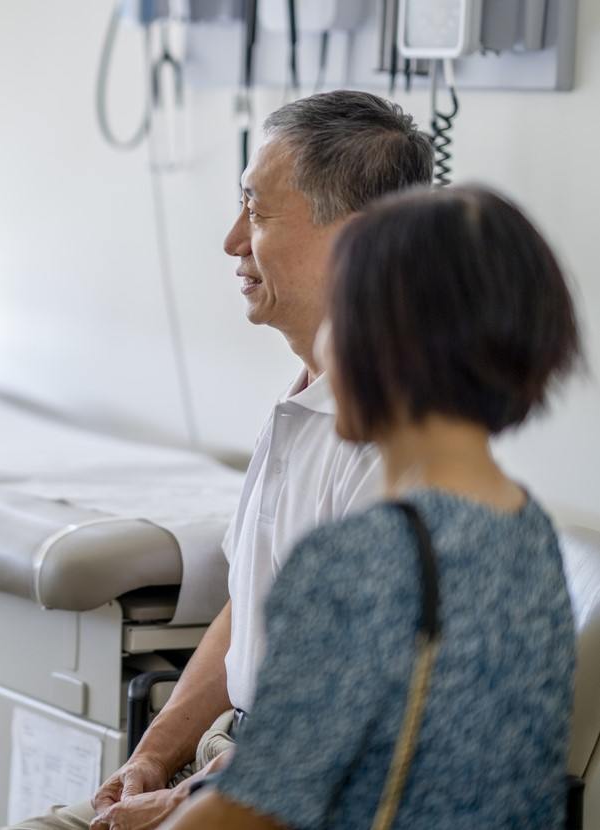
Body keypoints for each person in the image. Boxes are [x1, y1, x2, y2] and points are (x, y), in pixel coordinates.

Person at [10, 91, 434, 830]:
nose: (233, 240)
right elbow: (250, 610)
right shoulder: (305, 403)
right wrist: (150, 756)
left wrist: (179, 804)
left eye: (258, 212)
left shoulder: (399, 440)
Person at [160, 185, 580, 828]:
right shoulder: (529, 531)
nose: (325, 350)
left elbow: (249, 812)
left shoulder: (360, 560)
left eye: (340, 321)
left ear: (390, 342)